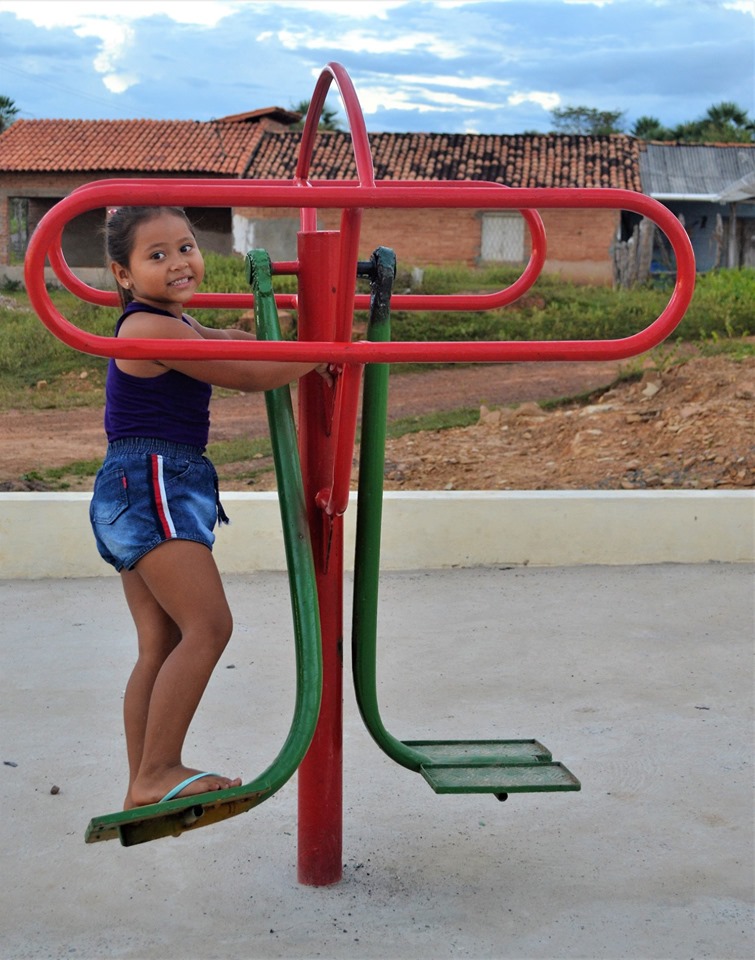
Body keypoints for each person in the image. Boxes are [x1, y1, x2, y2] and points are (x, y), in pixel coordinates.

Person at [91, 205, 331, 810]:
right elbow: (247, 373)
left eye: (186, 246)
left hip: (142, 485)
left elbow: (236, 343)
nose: (179, 262)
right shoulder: (147, 329)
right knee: (208, 626)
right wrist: (334, 350)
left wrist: (289, 335)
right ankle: (159, 769)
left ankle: (142, 783)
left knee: (162, 640)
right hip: (153, 483)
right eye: (157, 255)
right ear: (123, 275)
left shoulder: (177, 324)